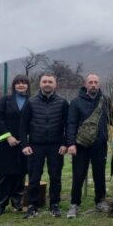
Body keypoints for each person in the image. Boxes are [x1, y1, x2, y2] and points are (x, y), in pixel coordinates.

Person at [20, 73, 69, 218]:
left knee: (55, 177)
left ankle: (54, 204)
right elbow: (22, 126)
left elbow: (69, 125)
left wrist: (65, 143)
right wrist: (24, 144)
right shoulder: (31, 102)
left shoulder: (63, 102)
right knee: (34, 177)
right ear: (40, 84)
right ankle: (32, 205)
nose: (47, 84)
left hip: (56, 146)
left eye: (50, 82)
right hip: (36, 145)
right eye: (44, 81)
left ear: (55, 84)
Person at [66, 74, 111, 218]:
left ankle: (100, 201)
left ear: (99, 84)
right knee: (78, 175)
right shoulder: (76, 102)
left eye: (95, 82)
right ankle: (74, 204)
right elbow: (71, 124)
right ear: (85, 84)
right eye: (90, 82)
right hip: (81, 146)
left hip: (100, 145)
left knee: (99, 175)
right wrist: (71, 144)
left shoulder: (106, 101)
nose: (93, 84)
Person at [0, 75, 30, 217]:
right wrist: (8, 137)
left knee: (20, 174)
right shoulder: (4, 101)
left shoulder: (30, 101)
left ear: (28, 86)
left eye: (24, 83)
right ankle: (1, 205)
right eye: (18, 83)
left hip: (23, 144)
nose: (21, 85)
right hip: (5, 144)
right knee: (4, 175)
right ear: (14, 85)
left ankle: (17, 202)